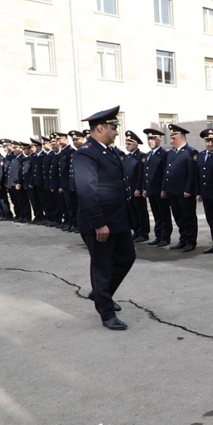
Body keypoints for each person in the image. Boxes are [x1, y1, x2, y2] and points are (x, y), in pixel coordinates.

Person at [73, 105, 134, 330]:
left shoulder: (108, 151)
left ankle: (101, 294)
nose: (117, 132)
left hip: (118, 220)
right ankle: (106, 313)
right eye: (113, 128)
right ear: (100, 128)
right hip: (100, 223)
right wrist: (99, 223)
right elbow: (86, 190)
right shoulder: (86, 153)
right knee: (102, 267)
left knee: (127, 257)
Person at [162, 124, 198, 252]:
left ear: (182, 138)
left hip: (184, 192)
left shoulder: (190, 152)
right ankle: (183, 239)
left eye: (174, 138)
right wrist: (164, 188)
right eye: (171, 138)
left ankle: (191, 241)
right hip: (172, 191)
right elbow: (167, 172)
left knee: (188, 217)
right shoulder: (170, 153)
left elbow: (192, 173)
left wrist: (189, 189)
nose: (171, 141)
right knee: (178, 216)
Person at [142, 128, 173, 246]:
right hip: (151, 190)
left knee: (164, 215)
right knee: (156, 215)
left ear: (159, 139)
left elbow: (166, 173)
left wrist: (164, 189)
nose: (150, 141)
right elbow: (146, 173)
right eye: (149, 139)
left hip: (160, 190)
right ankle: (158, 235)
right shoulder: (148, 155)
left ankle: (165, 237)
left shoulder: (164, 154)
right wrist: (145, 188)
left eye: (152, 139)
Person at [122, 131, 150, 242]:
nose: (127, 146)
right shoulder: (127, 157)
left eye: (129, 143)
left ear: (136, 144)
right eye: (126, 143)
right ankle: (137, 231)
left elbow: (141, 174)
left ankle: (144, 232)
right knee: (132, 212)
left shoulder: (141, 156)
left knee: (141, 211)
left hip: (136, 189)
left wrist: (139, 188)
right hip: (129, 189)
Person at [57, 132, 77, 231]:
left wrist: (70, 184)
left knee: (72, 205)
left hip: (69, 183)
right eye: (58, 140)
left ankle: (75, 223)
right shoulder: (62, 152)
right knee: (67, 205)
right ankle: (69, 222)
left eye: (60, 139)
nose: (59, 142)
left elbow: (70, 170)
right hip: (64, 183)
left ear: (66, 140)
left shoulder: (70, 151)